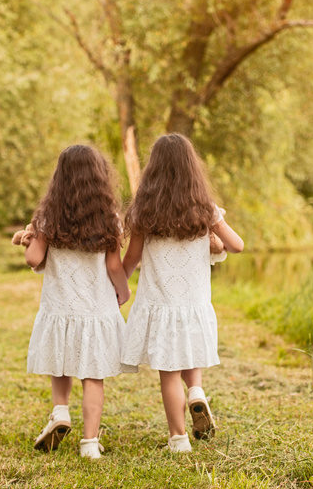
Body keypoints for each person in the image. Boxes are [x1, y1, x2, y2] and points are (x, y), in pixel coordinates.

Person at [121, 134, 244, 453]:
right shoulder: (204, 209)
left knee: (169, 373)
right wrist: (214, 235)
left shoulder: (144, 211)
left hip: (160, 303)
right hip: (194, 303)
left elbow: (131, 260)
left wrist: (114, 286)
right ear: (192, 169)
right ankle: (197, 393)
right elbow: (237, 245)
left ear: (153, 170)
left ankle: (178, 440)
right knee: (189, 351)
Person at [14, 145, 131, 460]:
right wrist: (123, 291)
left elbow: (34, 258)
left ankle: (61, 411)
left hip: (61, 306)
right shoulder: (110, 219)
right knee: (93, 375)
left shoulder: (48, 216)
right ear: (100, 177)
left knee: (61, 360)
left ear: (60, 178)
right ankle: (90, 444)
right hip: (96, 306)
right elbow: (114, 266)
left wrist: (31, 239)